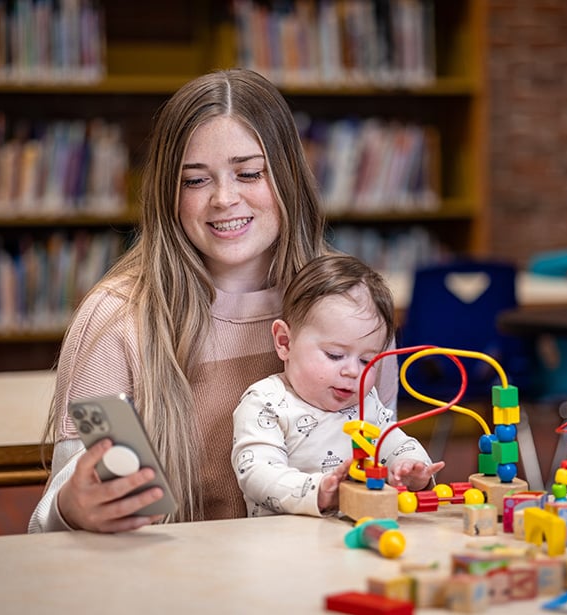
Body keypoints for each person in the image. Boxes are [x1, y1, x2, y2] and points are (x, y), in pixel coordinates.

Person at [28, 69, 399, 533]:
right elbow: (51, 524)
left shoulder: (351, 310)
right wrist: (71, 507)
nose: (225, 198)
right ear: (169, 193)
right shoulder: (116, 319)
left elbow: (376, 470)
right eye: (195, 181)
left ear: (287, 176)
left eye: (249, 173)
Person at [231, 254, 445, 518]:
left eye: (368, 360)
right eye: (334, 355)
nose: (353, 371)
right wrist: (318, 492)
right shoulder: (266, 402)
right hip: (282, 543)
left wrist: (411, 468)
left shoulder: (367, 403)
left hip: (354, 538)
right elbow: (256, 473)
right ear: (285, 342)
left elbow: (395, 441)